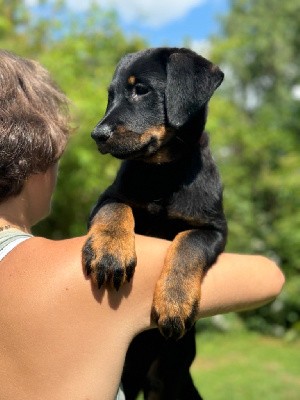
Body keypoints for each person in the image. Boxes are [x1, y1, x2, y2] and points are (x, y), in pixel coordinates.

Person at [0, 49, 284, 400]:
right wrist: (113, 219)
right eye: (115, 96)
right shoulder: (130, 181)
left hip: (171, 369)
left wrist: (184, 267)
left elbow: (210, 232)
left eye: (139, 91)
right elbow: (111, 203)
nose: (104, 125)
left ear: (187, 92)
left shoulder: (202, 186)